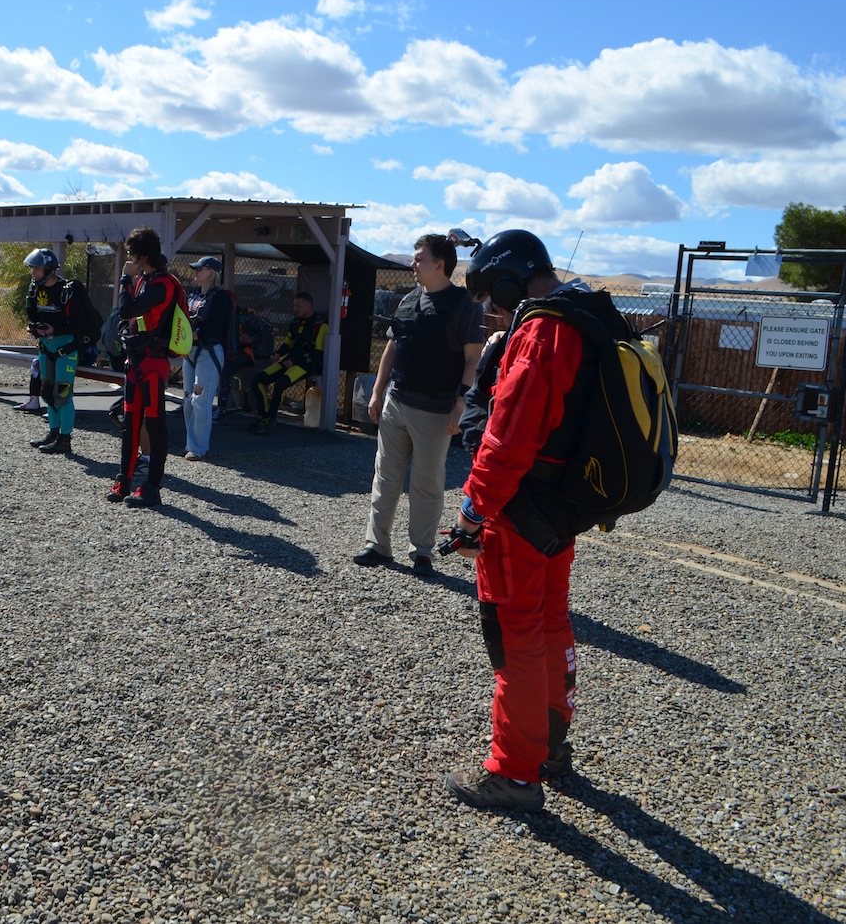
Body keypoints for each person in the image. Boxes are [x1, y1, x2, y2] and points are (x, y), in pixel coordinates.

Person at [443, 228, 595, 813]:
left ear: (510, 279)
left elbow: (506, 441)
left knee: (515, 641)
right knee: (551, 622)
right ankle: (551, 748)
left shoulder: (541, 331)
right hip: (562, 508)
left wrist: (472, 513)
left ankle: (514, 772)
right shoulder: (584, 316)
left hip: (519, 513)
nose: (490, 307)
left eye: (490, 294)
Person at [354, 234, 484, 578]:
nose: (412, 264)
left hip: (436, 411)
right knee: (386, 477)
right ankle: (377, 545)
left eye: (419, 259)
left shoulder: (464, 305)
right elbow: (392, 347)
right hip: (396, 403)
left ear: (440, 264)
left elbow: (473, 359)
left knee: (427, 483)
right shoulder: (409, 299)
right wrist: (378, 391)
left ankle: (422, 552)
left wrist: (461, 404)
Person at [106, 227, 178, 507]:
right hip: (136, 361)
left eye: (132, 254)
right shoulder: (145, 281)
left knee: (155, 425)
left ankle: (152, 488)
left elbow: (127, 310)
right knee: (130, 424)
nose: (129, 259)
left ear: (143, 256)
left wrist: (125, 278)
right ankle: (123, 480)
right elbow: (131, 318)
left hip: (153, 364)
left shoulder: (163, 284)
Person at [22, 248, 87, 455]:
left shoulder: (68, 291)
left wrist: (54, 330)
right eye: (32, 268)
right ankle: (53, 432)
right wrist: (35, 328)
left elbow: (79, 323)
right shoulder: (35, 288)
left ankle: (65, 440)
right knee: (47, 392)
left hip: (66, 350)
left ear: (48, 269)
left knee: (62, 395)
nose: (33, 272)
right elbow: (32, 314)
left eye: (37, 269)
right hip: (45, 348)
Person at [247, 292, 327, 434]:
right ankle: (265, 416)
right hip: (288, 361)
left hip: (306, 364)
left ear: (308, 305)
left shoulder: (320, 325)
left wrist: (295, 361)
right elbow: (287, 343)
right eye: (294, 305)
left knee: (280, 384)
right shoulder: (295, 322)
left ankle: (270, 417)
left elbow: (318, 353)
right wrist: (278, 354)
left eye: (298, 306)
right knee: (257, 380)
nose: (295, 309)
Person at [182, 256, 233, 461]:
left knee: (201, 400)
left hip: (209, 352)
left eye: (200, 269)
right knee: (188, 400)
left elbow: (214, 327)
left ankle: (199, 448)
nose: (196, 272)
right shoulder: (193, 294)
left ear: (211, 272)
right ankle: (190, 444)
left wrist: (192, 336)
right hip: (190, 352)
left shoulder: (221, 298)